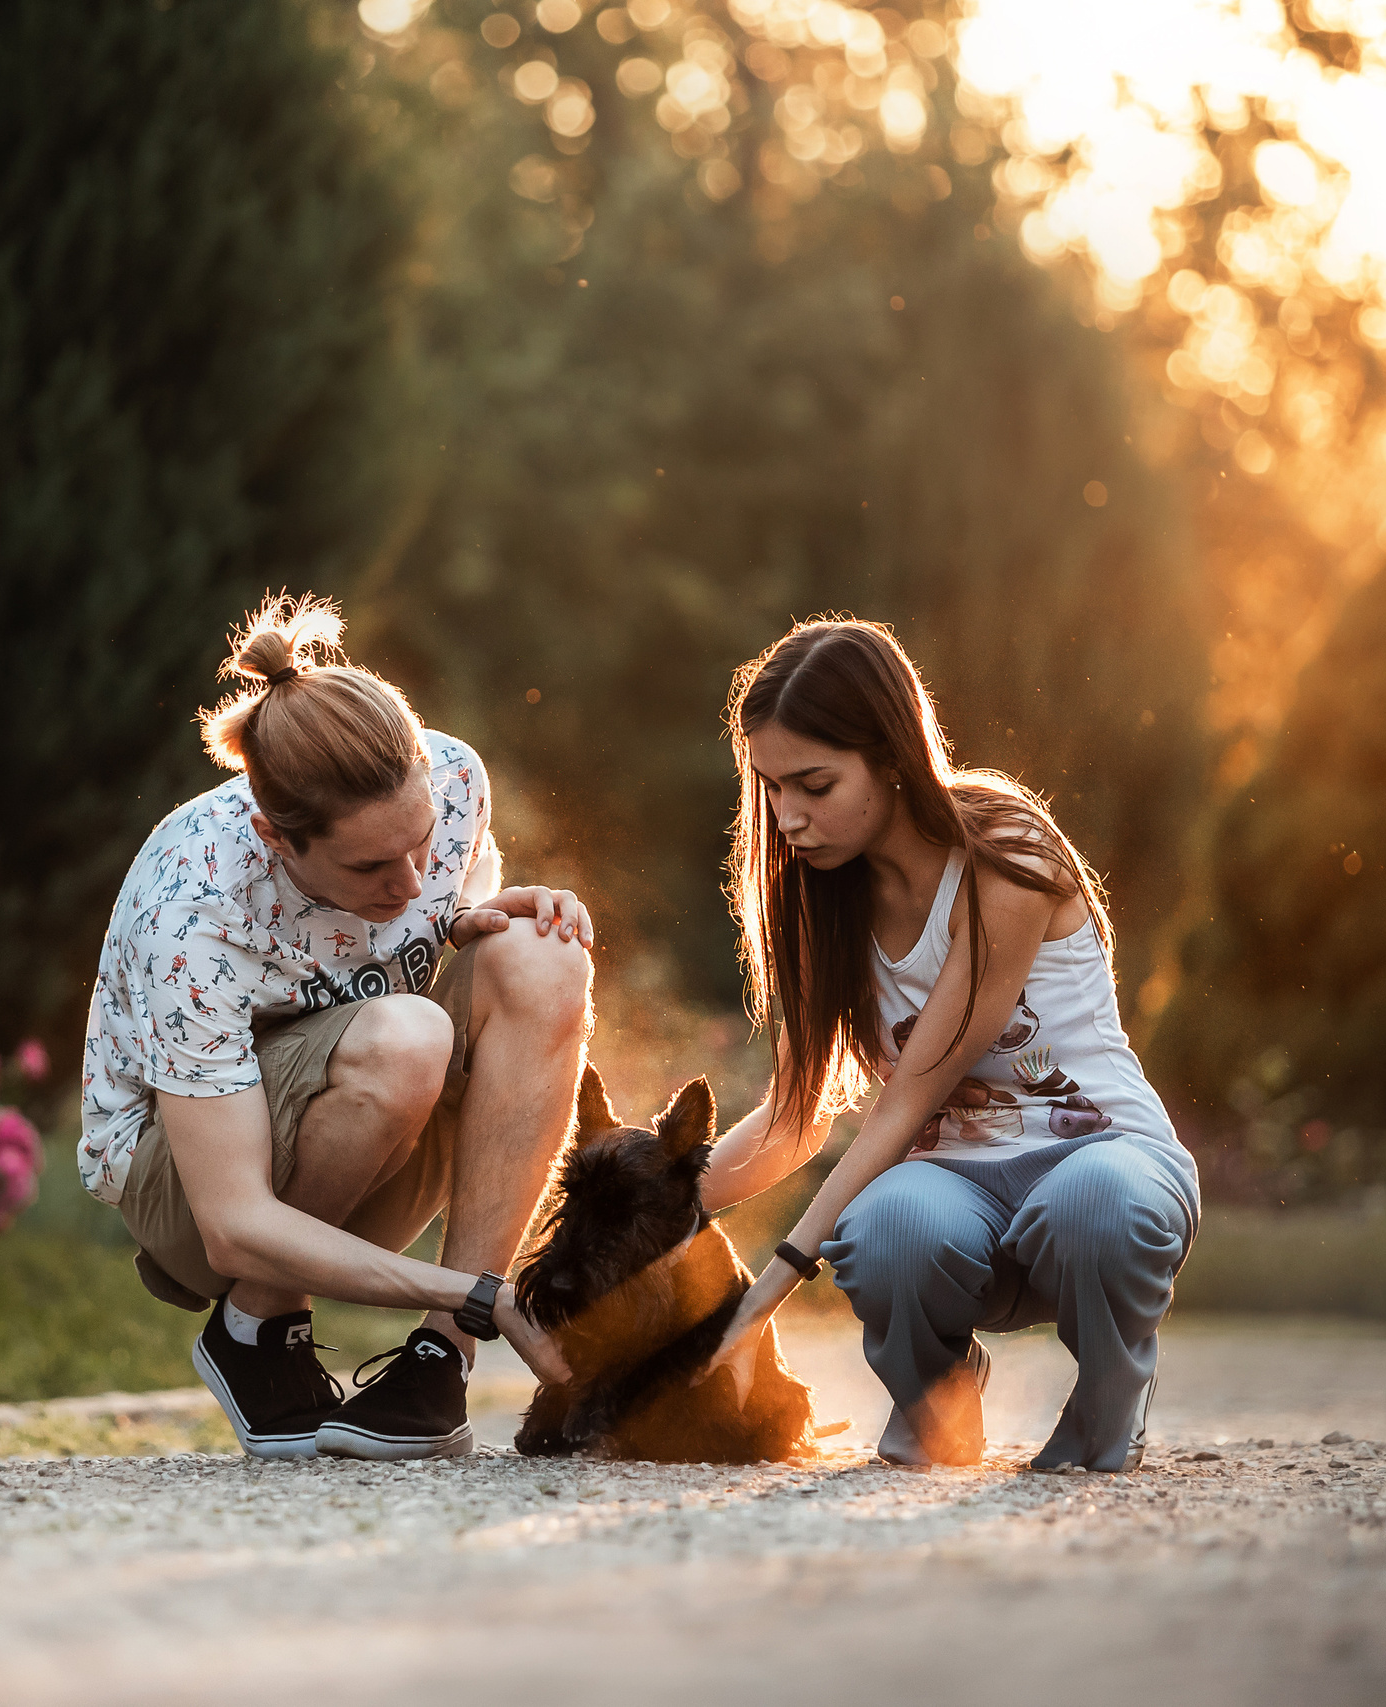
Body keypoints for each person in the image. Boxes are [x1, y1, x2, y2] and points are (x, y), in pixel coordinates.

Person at [80, 594, 590, 1461]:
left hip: (372, 1131)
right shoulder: (195, 902)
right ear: (278, 838)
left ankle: (441, 1356)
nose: (409, 878)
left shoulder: (456, 777)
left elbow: (448, 886)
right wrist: (486, 1292)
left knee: (545, 954)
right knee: (409, 1038)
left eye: (422, 842)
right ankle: (256, 1323)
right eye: (369, 865)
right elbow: (233, 1223)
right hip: (193, 1191)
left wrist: (468, 914)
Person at [693, 619, 1199, 1472]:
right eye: (771, 788)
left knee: (1092, 1205)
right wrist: (652, 1219)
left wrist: (759, 1300)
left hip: (1101, 1159)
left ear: (891, 755)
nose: (788, 817)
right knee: (886, 1228)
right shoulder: (822, 898)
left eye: (814, 784)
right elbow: (796, 1115)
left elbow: (909, 1095)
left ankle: (1110, 1393)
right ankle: (939, 1392)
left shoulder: (1005, 847)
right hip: (957, 1195)